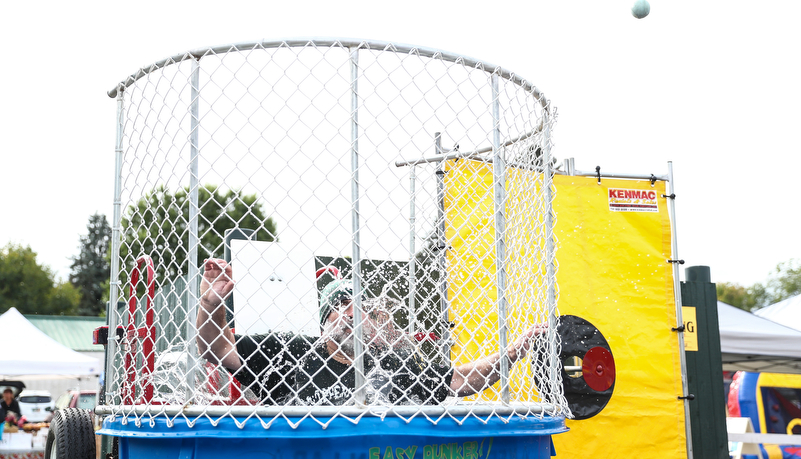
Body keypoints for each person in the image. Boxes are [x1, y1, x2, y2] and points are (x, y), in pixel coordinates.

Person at [196, 259, 546, 406]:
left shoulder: (388, 363)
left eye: (355, 304)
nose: (348, 312)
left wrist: (515, 350)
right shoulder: (290, 350)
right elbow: (216, 348)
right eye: (337, 305)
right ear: (322, 323)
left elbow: (459, 380)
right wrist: (211, 304)